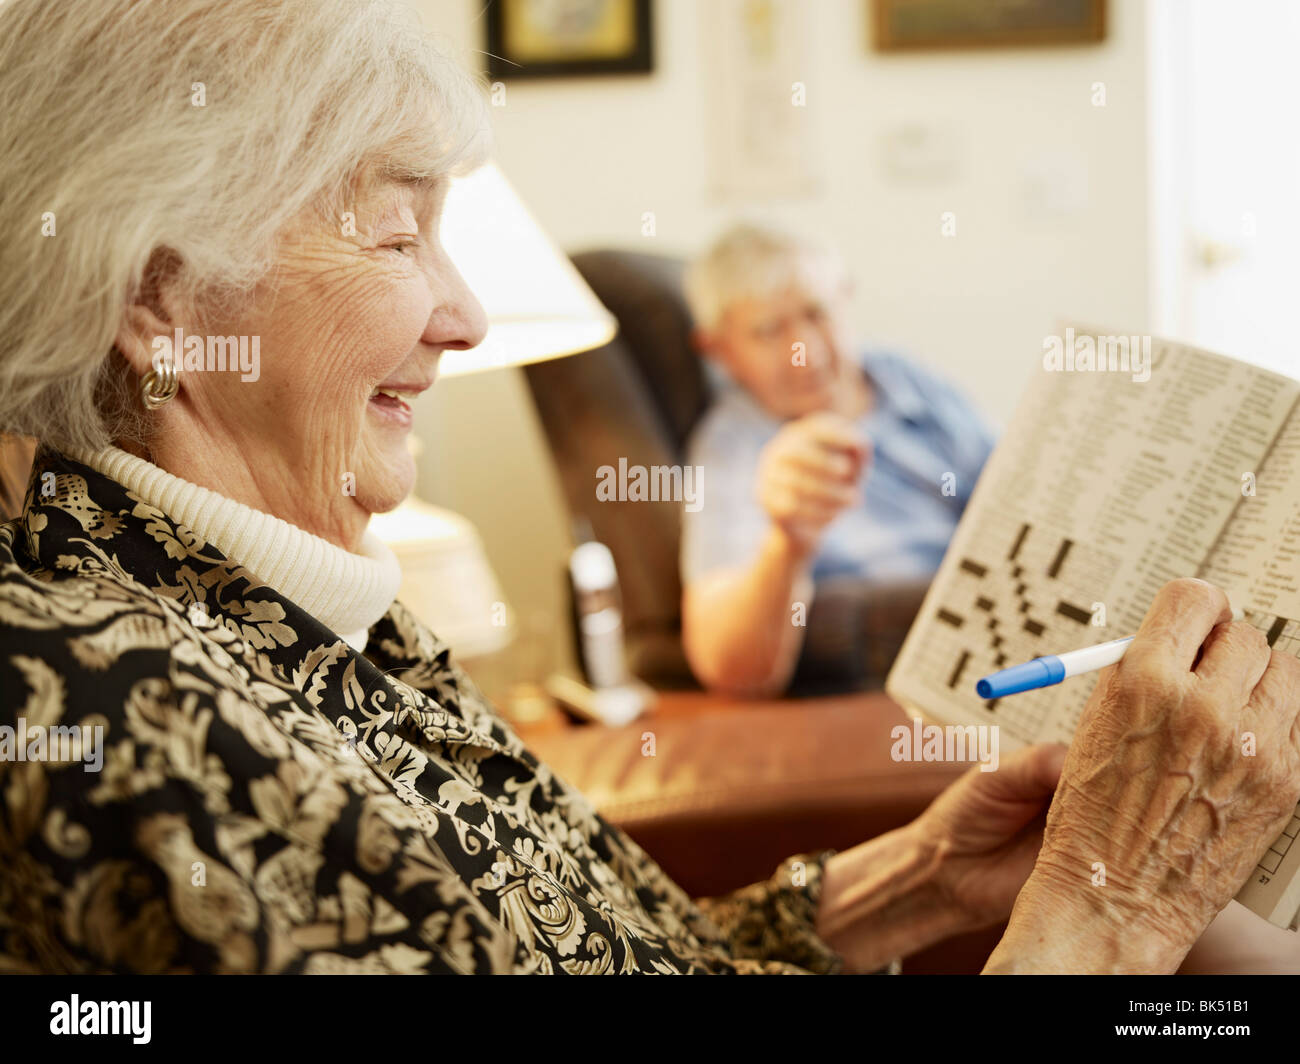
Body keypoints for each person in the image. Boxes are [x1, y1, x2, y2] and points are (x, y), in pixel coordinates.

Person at [1, 0, 1298, 975]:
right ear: (163, 302)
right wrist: (1107, 901)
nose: (462, 313)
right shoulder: (123, 730)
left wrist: (920, 880)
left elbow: (591, 947)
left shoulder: (302, 602)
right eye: (398, 235)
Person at [680, 225, 995, 695]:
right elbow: (726, 666)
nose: (807, 355)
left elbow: (1010, 488)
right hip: (918, 659)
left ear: (845, 297)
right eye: (768, 331)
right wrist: (787, 543)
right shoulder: (732, 447)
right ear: (718, 351)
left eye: (816, 313)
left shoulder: (901, 372)